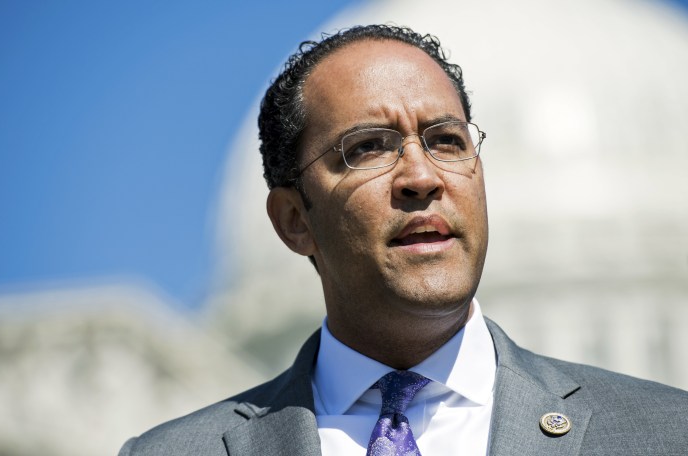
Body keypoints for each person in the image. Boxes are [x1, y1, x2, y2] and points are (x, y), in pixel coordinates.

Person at [118, 24, 688, 455]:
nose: (422, 177)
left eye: (446, 140)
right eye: (368, 147)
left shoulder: (663, 433)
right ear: (294, 219)